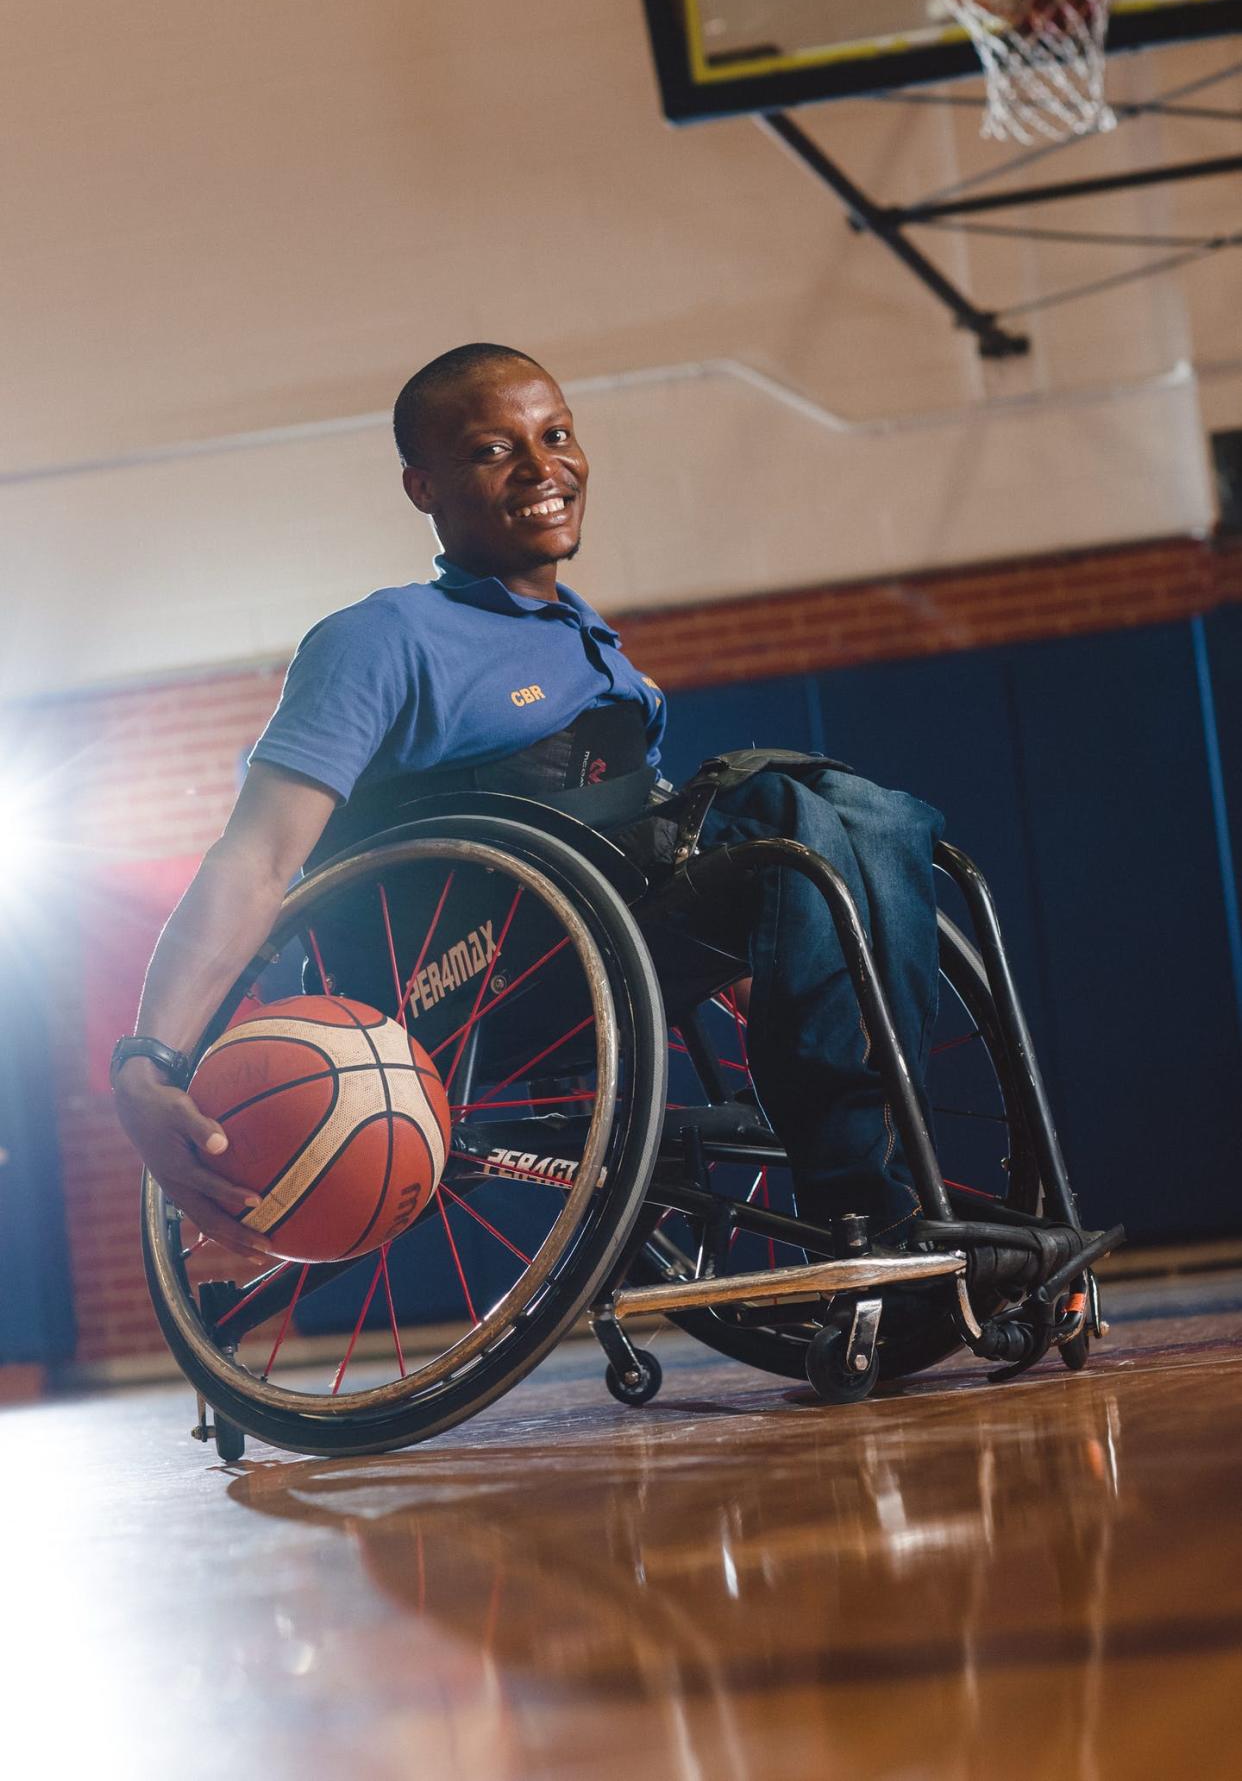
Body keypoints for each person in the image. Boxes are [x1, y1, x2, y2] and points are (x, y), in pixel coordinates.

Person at [113, 343, 943, 1259]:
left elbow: (673, 860)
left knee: (873, 815)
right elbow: (258, 855)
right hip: (474, 967)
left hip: (604, 925)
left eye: (556, 435)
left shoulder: (597, 649)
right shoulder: (381, 638)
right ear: (421, 486)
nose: (544, 467)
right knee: (793, 808)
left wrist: (793, 975)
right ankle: (860, 1202)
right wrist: (150, 1063)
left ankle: (887, 1166)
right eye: (493, 449)